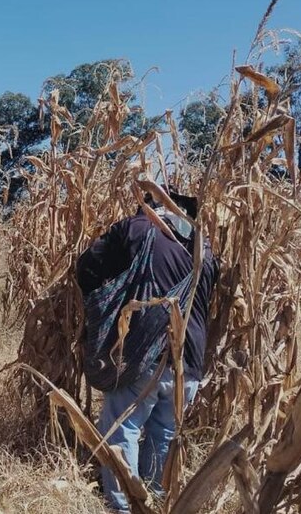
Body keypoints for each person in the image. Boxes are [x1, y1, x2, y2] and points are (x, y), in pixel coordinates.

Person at [75, 189, 219, 514]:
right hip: (190, 364)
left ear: (153, 205)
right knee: (163, 434)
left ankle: (123, 507)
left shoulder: (138, 228)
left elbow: (87, 268)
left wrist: (105, 312)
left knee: (121, 427)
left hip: (146, 354)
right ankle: (152, 504)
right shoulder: (204, 249)